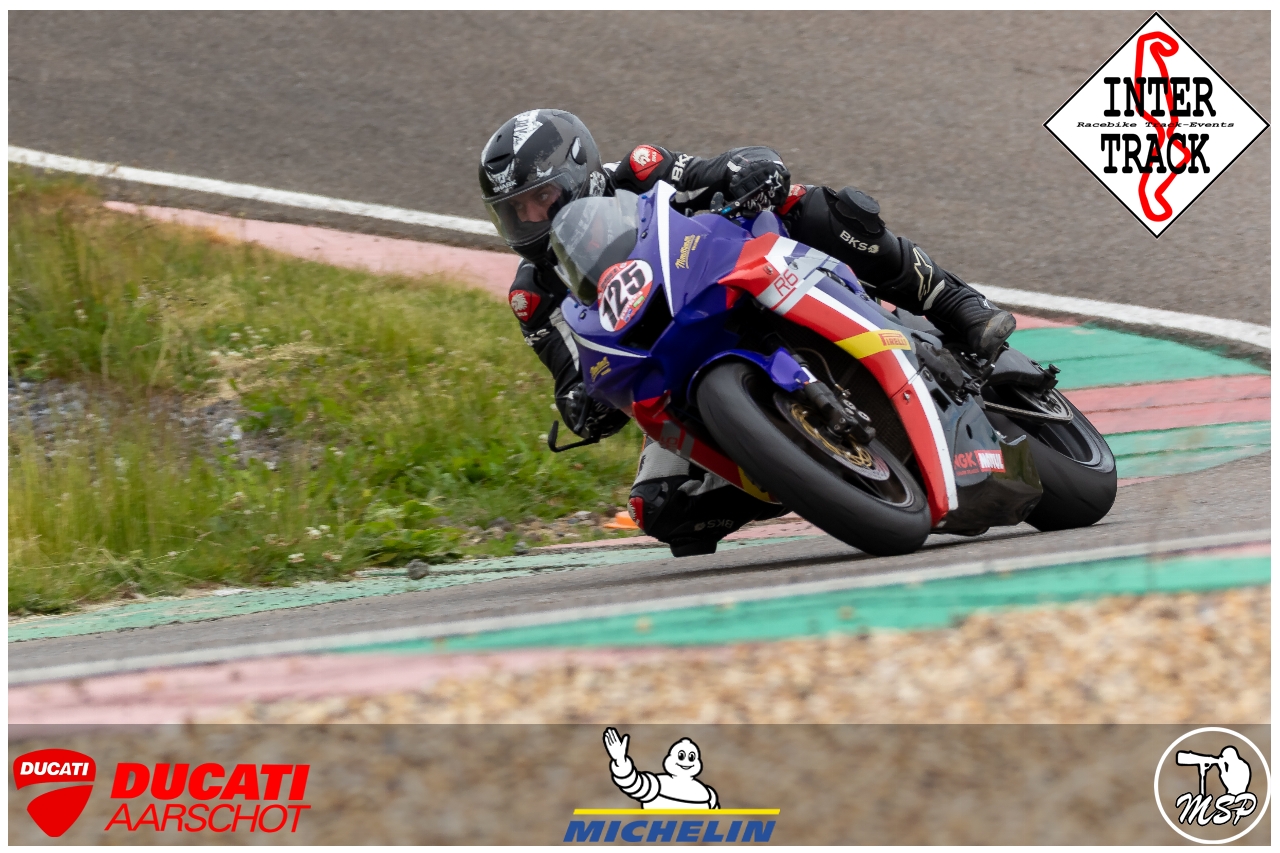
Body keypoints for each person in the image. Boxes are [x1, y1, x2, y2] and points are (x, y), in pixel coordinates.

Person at [479, 109, 1015, 557]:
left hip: (741, 277)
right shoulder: (534, 298)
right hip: (672, 369)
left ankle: (956, 303)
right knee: (660, 507)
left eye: (540, 198)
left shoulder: (641, 171)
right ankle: (788, 471)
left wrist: (749, 170)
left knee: (812, 205)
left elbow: (717, 169)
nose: (530, 217)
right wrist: (582, 405)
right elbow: (571, 376)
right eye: (514, 211)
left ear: (579, 172)